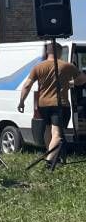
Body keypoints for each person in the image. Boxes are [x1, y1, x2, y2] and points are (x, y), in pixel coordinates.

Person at [18, 42, 86, 170]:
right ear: (60, 52)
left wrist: (21, 101)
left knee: (48, 130)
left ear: (48, 52)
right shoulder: (67, 66)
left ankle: (52, 155)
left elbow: (27, 85)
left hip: (43, 105)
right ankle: (49, 162)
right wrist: (71, 82)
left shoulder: (38, 67)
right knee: (57, 134)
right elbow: (83, 79)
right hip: (60, 104)